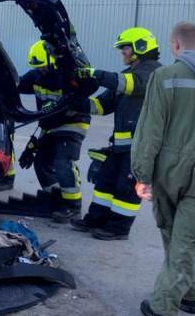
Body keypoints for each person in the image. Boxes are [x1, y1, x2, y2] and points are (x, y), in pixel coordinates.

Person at [132, 22, 195, 316]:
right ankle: (188, 295)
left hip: (170, 172)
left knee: (178, 238)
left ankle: (162, 306)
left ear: (176, 45)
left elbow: (150, 131)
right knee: (182, 238)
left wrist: (142, 175)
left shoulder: (165, 76)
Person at [70, 27, 161, 240]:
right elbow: (102, 105)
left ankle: (118, 228)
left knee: (125, 189)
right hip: (119, 146)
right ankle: (95, 220)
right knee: (105, 182)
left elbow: (131, 85)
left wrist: (95, 74)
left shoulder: (153, 72)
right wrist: (74, 103)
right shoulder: (127, 74)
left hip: (140, 146)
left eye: (125, 48)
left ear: (140, 47)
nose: (122, 52)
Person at [18, 40, 89, 221]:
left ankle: (73, 205)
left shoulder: (67, 76)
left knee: (62, 161)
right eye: (38, 68)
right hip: (49, 126)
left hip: (72, 123)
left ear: (53, 61)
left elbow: (80, 95)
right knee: (41, 163)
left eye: (43, 66)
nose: (41, 70)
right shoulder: (35, 75)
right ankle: (56, 198)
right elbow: (15, 85)